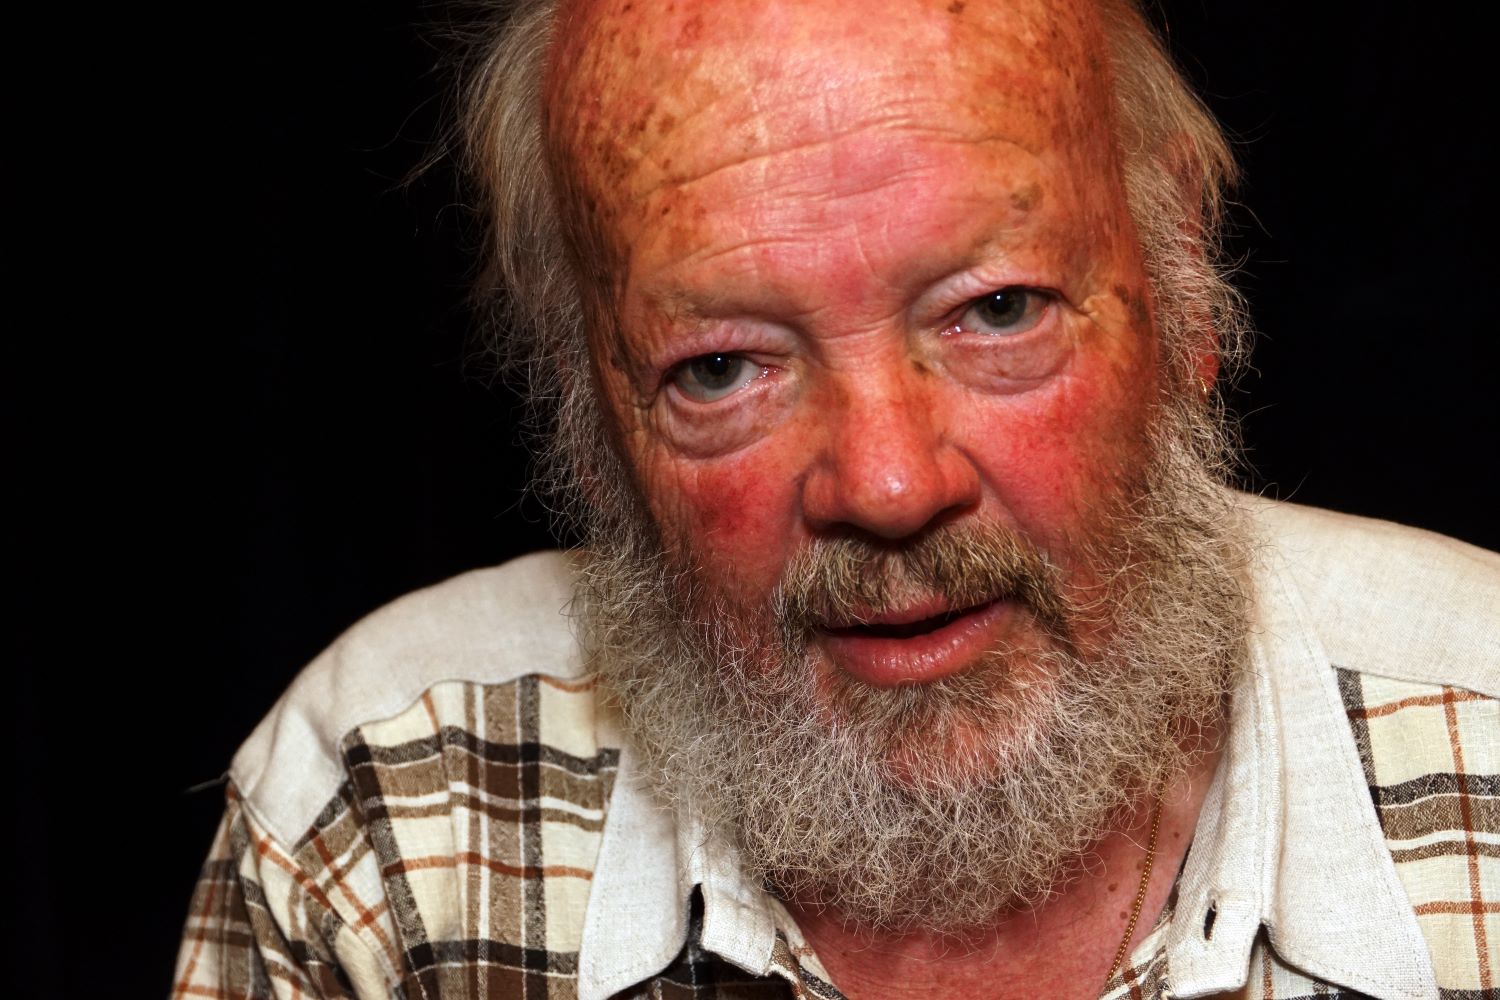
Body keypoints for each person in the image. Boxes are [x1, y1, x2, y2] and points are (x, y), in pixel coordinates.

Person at [172, 0, 1498, 997]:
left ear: (1185, 291)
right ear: (590, 414)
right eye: (723, 367)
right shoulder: (390, 821)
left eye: (997, 309)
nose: (889, 485)